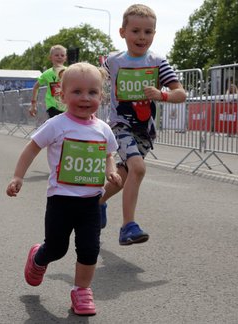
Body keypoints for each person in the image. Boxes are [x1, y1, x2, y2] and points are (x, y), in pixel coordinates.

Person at [6, 62, 121, 316]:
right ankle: (39, 257)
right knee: (57, 248)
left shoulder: (103, 129)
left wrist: (110, 172)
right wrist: (18, 176)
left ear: (101, 97)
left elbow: (108, 154)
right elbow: (32, 148)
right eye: (77, 91)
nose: (85, 98)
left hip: (91, 201)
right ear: (62, 95)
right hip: (60, 200)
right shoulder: (57, 124)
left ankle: (82, 291)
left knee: (90, 248)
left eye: (92, 92)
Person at [98, 4, 187, 245]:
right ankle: (128, 226)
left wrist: (161, 94)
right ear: (122, 32)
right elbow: (95, 79)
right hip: (120, 125)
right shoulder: (113, 62)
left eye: (148, 32)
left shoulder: (158, 61)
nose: (141, 37)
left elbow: (181, 94)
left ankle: (97, 204)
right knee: (137, 168)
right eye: (135, 31)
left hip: (145, 130)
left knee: (125, 175)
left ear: (154, 35)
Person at [29, 45, 67, 118]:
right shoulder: (47, 74)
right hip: (52, 106)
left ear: (65, 58)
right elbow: (36, 87)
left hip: (67, 106)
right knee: (56, 125)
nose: (59, 57)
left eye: (62, 55)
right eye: (56, 55)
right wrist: (33, 105)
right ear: (50, 58)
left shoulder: (70, 71)